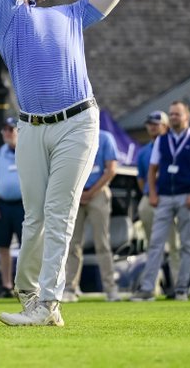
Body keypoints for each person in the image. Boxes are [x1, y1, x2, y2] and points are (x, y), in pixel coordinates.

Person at [0, 0, 121, 327]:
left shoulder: (69, 14)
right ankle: (29, 295)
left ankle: (48, 303)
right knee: (34, 216)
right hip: (32, 127)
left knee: (58, 212)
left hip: (77, 121)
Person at [131, 100, 190, 302]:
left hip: (187, 197)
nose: (174, 117)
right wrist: (152, 193)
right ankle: (148, 288)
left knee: (186, 244)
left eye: (178, 114)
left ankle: (182, 288)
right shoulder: (162, 140)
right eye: (172, 114)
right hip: (165, 197)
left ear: (187, 116)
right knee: (156, 243)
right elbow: (152, 169)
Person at [65, 128, 120, 303]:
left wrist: (91, 192)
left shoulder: (105, 138)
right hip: (76, 193)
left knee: (102, 243)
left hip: (98, 192)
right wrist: (78, 192)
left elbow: (111, 170)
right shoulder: (72, 137)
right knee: (73, 243)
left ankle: (110, 288)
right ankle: (70, 287)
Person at [135, 111, 177, 296]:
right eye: (149, 124)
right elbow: (141, 179)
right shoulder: (144, 151)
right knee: (153, 245)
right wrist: (150, 193)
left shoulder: (173, 146)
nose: (152, 127)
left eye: (156, 124)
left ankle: (178, 286)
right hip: (150, 199)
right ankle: (153, 286)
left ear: (165, 126)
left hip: (170, 197)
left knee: (175, 245)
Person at [0, 117, 22, 298]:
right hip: (3, 204)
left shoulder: (27, 150)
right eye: (5, 129)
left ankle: (26, 284)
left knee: (28, 245)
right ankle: (6, 285)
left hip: (23, 204)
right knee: (3, 246)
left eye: (11, 129)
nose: (7, 133)